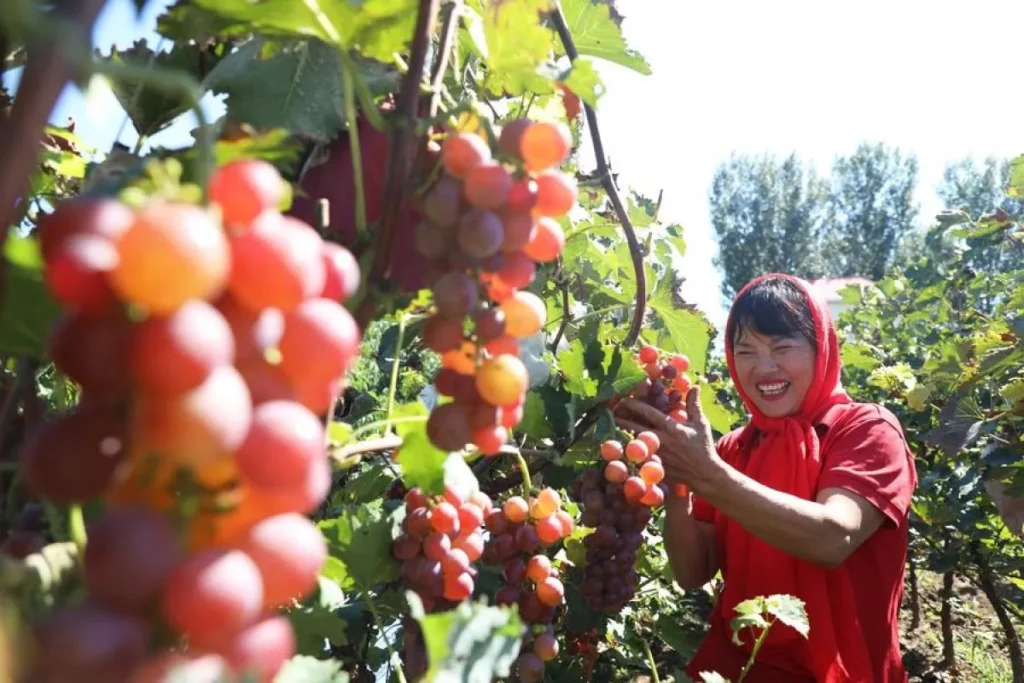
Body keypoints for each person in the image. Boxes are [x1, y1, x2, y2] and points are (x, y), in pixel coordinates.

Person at [614, 273, 917, 683]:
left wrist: (710, 477)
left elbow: (834, 538)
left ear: (821, 347)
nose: (764, 367)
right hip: (737, 670)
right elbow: (692, 573)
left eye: (782, 347)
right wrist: (678, 482)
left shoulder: (867, 430)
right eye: (746, 351)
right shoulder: (733, 449)